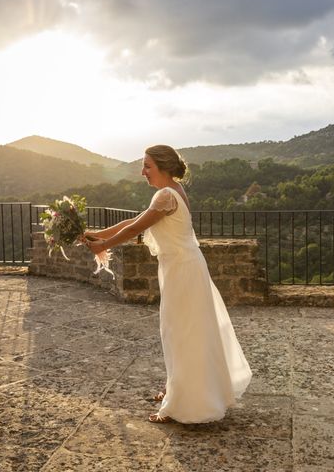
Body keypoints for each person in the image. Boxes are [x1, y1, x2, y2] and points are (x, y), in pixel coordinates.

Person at [85, 144, 252, 424]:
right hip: (183, 267)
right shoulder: (171, 191)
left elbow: (136, 229)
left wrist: (103, 244)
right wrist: (95, 234)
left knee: (181, 332)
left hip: (183, 271)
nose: (142, 172)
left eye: (147, 166)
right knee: (182, 330)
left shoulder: (165, 195)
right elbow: (134, 220)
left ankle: (185, 403)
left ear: (163, 167)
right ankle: (177, 388)